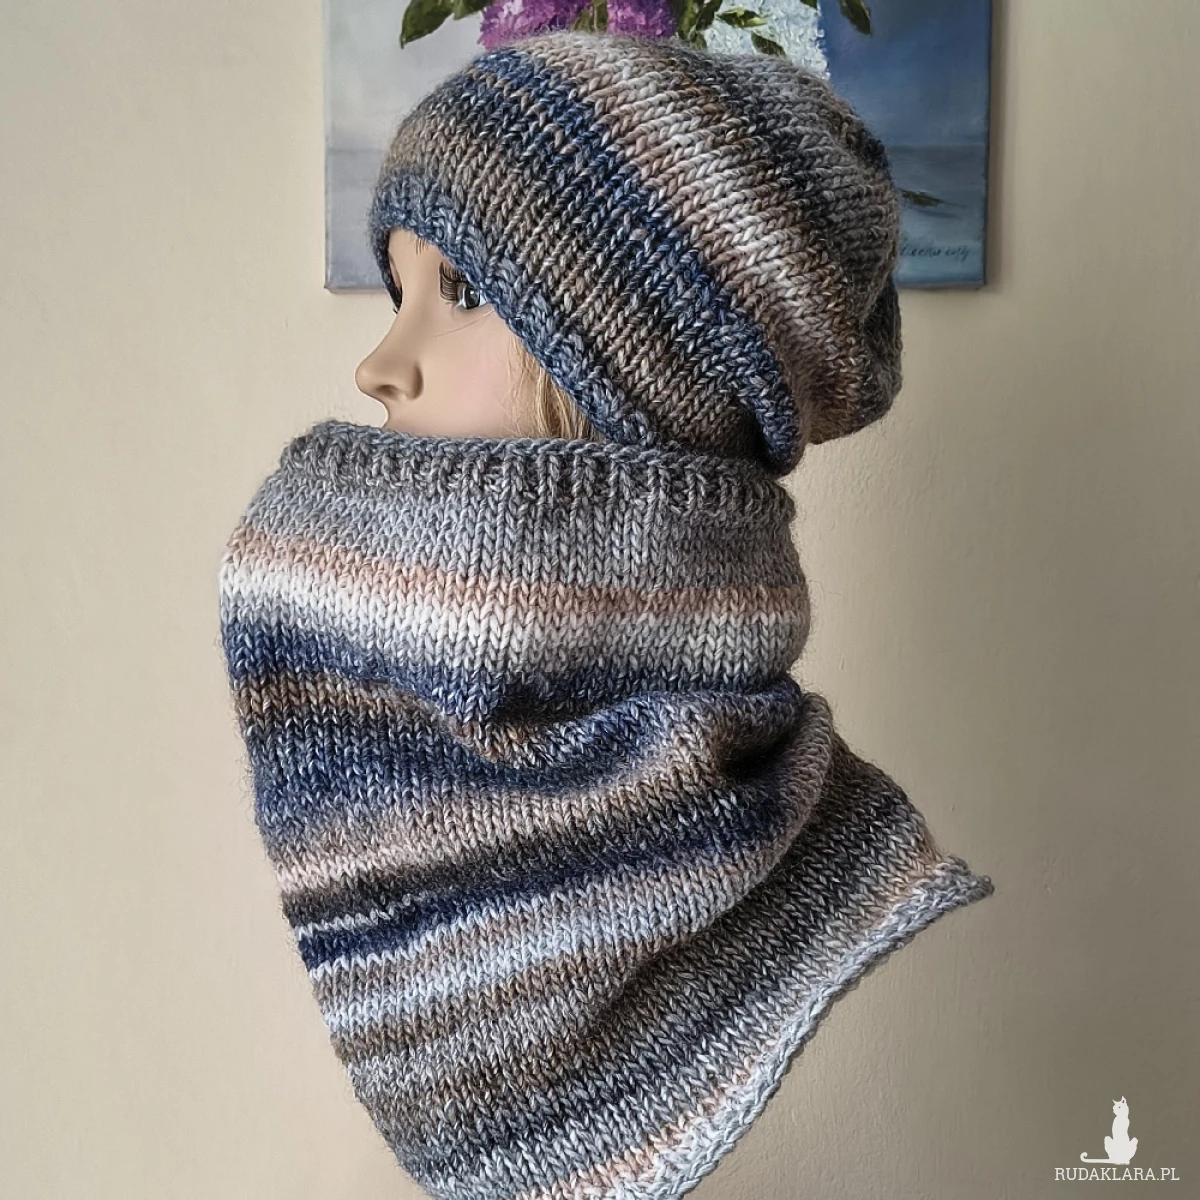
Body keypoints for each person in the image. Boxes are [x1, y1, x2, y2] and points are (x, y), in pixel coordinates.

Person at [218, 28, 993, 1200]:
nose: (380, 363)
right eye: (399, 292)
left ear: (644, 382)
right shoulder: (374, 736)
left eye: (462, 293)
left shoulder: (844, 897)